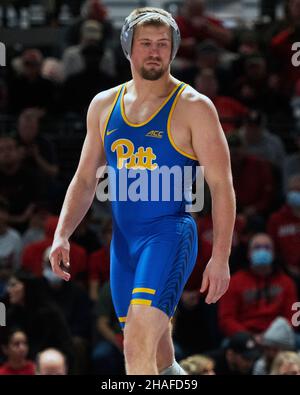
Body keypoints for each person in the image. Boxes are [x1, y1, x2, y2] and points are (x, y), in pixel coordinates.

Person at [50, 7, 236, 375]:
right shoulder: (104, 105)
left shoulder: (195, 107)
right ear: (128, 49)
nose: (154, 52)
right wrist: (62, 234)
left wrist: (221, 257)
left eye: (163, 44)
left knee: (137, 340)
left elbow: (222, 185)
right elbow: (85, 179)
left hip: (169, 234)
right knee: (158, 356)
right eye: (146, 44)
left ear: (174, 50)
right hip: (125, 244)